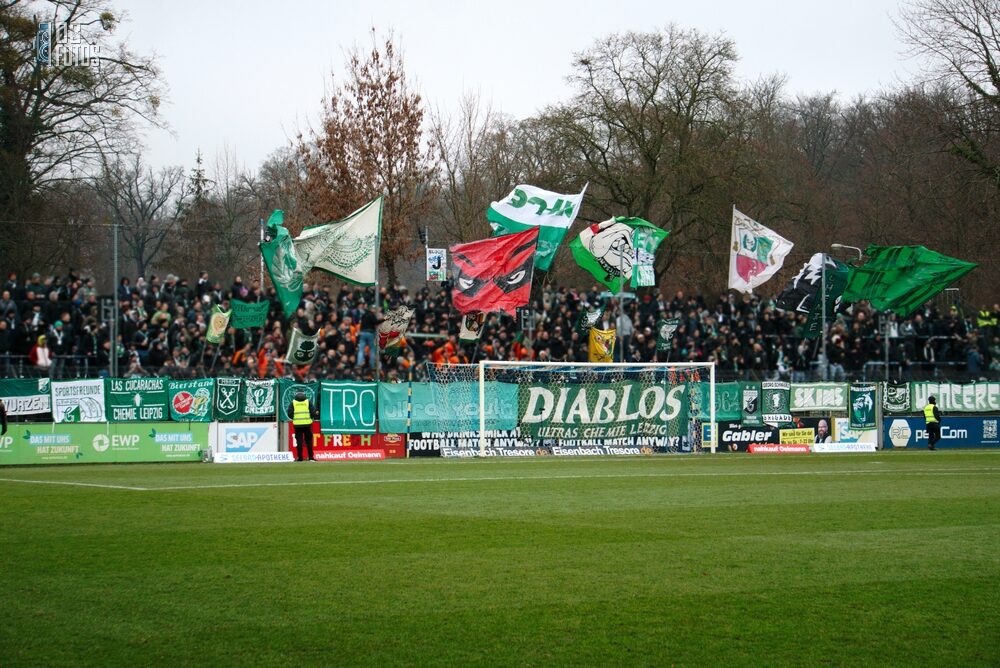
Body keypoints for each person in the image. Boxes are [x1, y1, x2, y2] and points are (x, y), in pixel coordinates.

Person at [291, 391, 317, 461]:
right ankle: (311, 457)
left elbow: (290, 413)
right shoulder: (308, 402)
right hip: (307, 424)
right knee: (309, 441)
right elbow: (313, 412)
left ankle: (300, 458)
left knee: (299, 442)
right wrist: (311, 418)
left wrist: (295, 418)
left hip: (297, 425)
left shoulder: (293, 403)